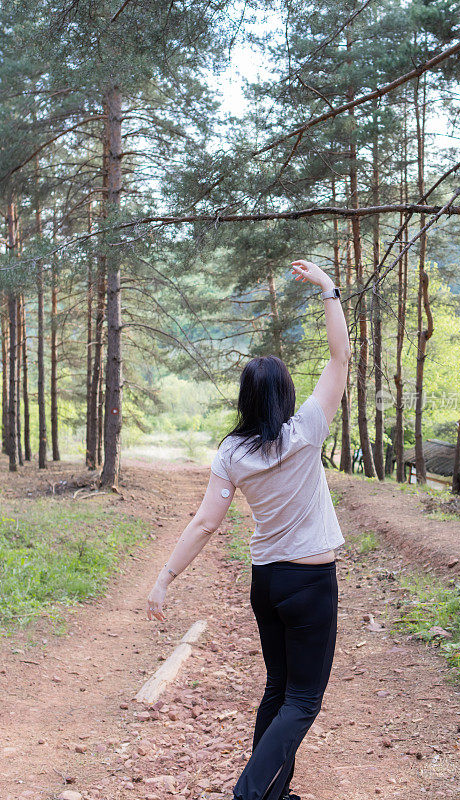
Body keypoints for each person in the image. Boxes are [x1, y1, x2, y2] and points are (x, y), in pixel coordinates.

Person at [147, 258, 351, 800]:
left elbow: (206, 523)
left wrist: (165, 577)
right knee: (304, 699)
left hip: (267, 584)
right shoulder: (306, 429)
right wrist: (329, 290)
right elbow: (339, 357)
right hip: (310, 583)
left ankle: (272, 795)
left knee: (279, 688)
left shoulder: (232, 452)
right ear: (285, 396)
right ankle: (251, 792)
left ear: (245, 399)